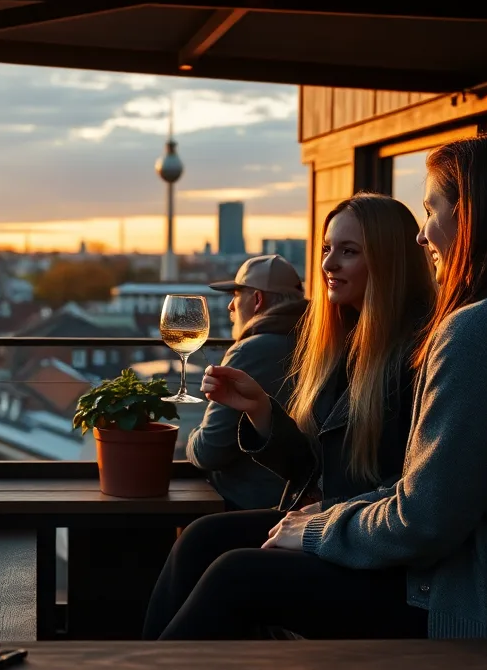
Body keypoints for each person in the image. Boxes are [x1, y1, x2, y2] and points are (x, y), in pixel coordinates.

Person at [151, 133, 487, 670]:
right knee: (216, 547)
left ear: (476, 216)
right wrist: (272, 431)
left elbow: (423, 516)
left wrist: (321, 527)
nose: (423, 234)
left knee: (237, 576)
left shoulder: (481, 331)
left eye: (432, 210)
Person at [144, 192, 435, 638]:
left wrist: (316, 524)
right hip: (331, 525)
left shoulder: (416, 356)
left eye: (349, 251)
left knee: (235, 574)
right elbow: (318, 469)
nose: (329, 264)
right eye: (326, 249)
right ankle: (146, 668)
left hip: (379, 558)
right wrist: (261, 411)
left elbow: (406, 494)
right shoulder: (349, 343)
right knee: (200, 539)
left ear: (390, 261)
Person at [187, 254, 309, 511]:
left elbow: (209, 451)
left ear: (257, 300)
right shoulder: (316, 341)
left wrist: (190, 439)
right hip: (302, 502)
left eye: (236, 295)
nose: (230, 307)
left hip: (252, 505)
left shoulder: (251, 351)